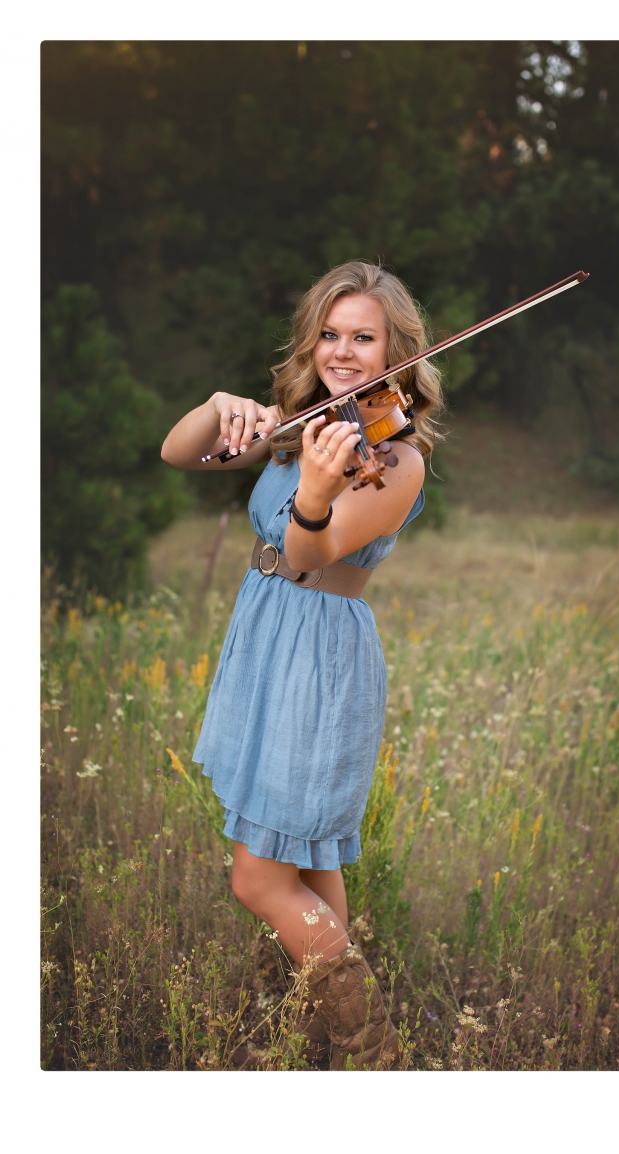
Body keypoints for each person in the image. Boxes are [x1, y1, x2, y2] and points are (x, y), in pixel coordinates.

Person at [161, 260, 443, 1069]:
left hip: (319, 655)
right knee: (310, 865)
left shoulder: (399, 458)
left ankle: (375, 1053)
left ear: (398, 349)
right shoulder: (300, 419)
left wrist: (316, 492)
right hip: (268, 631)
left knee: (259, 879)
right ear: (310, 338)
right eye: (330, 333)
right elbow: (179, 453)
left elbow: (308, 545)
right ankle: (329, 1047)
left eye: (365, 337)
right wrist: (218, 408)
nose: (345, 353)